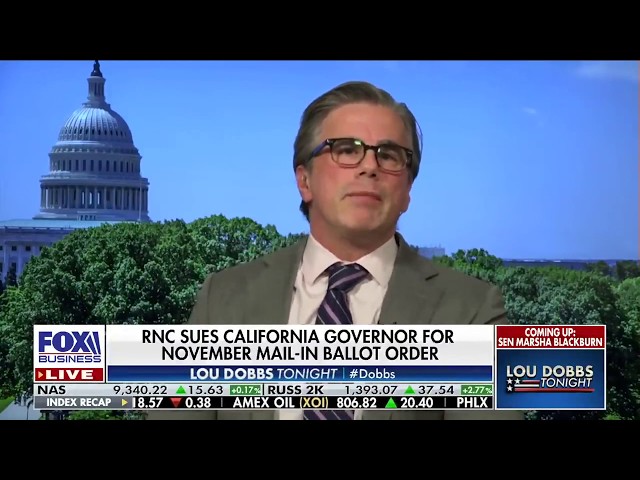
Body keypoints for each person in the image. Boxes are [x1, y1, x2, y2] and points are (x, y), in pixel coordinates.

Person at [146, 81, 524, 420]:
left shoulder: (472, 311)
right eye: (346, 150)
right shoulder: (223, 297)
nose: (370, 167)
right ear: (304, 180)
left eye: (389, 156)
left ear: (408, 191)